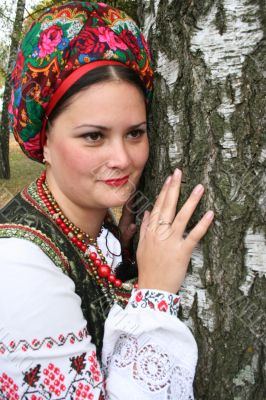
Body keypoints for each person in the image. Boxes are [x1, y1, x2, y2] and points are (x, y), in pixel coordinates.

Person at [0, 2, 214, 399]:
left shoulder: (94, 227)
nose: (123, 159)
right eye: (94, 136)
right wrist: (154, 294)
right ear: (43, 140)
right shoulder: (18, 271)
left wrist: (128, 259)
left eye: (135, 133)